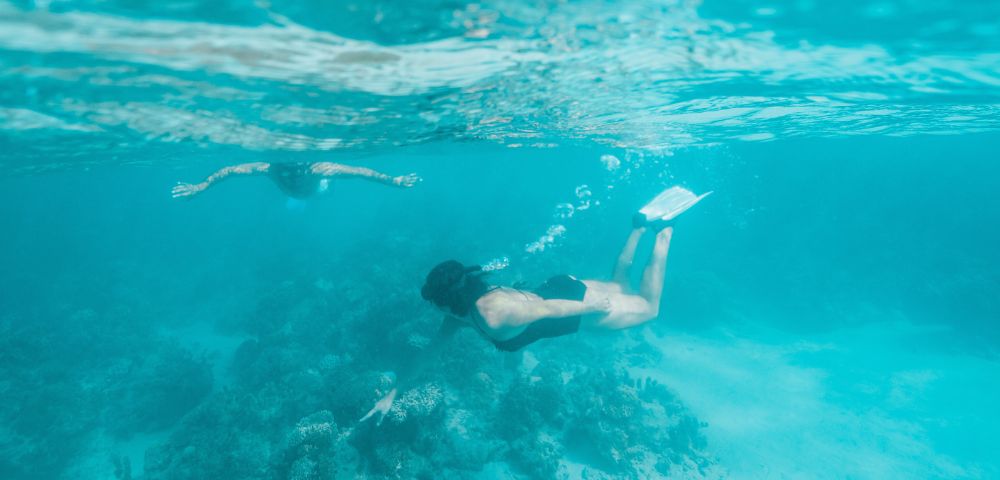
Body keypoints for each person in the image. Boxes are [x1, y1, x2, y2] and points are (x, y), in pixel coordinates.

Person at [171, 161, 420, 199]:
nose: (293, 174)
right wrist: (200, 186)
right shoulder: (270, 168)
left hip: (316, 190)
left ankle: (321, 191)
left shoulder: (319, 169)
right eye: (287, 170)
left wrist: (394, 181)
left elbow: (360, 172)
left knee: (324, 187)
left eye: (298, 169)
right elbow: (231, 171)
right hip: (291, 194)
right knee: (294, 201)